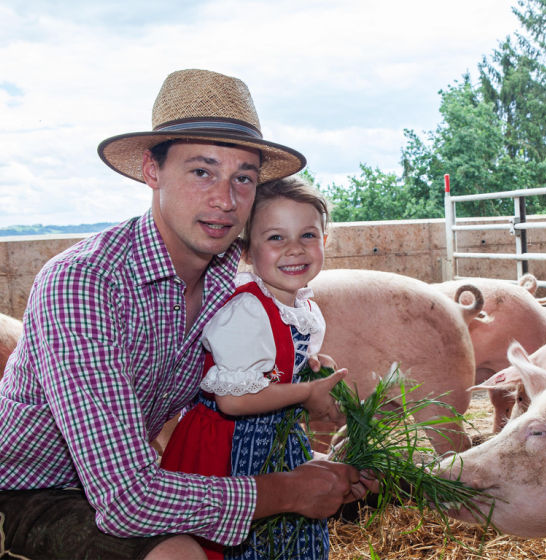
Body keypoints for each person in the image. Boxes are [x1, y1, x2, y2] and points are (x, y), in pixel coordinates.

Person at [0, 69, 375, 560]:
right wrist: (291, 491)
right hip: (32, 491)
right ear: (152, 171)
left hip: (135, 474)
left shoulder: (228, 282)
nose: (225, 199)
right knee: (178, 554)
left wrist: (316, 455)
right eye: (202, 171)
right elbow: (126, 500)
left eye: (243, 177)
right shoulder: (82, 283)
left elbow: (225, 401)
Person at [161, 175, 340, 560]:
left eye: (308, 235)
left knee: (293, 539)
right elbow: (233, 401)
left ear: (325, 242)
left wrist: (313, 370)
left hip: (277, 437)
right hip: (231, 446)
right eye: (276, 238)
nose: (295, 249)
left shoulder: (304, 308)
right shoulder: (246, 309)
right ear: (245, 251)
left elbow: (279, 367)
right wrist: (307, 394)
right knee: (252, 545)